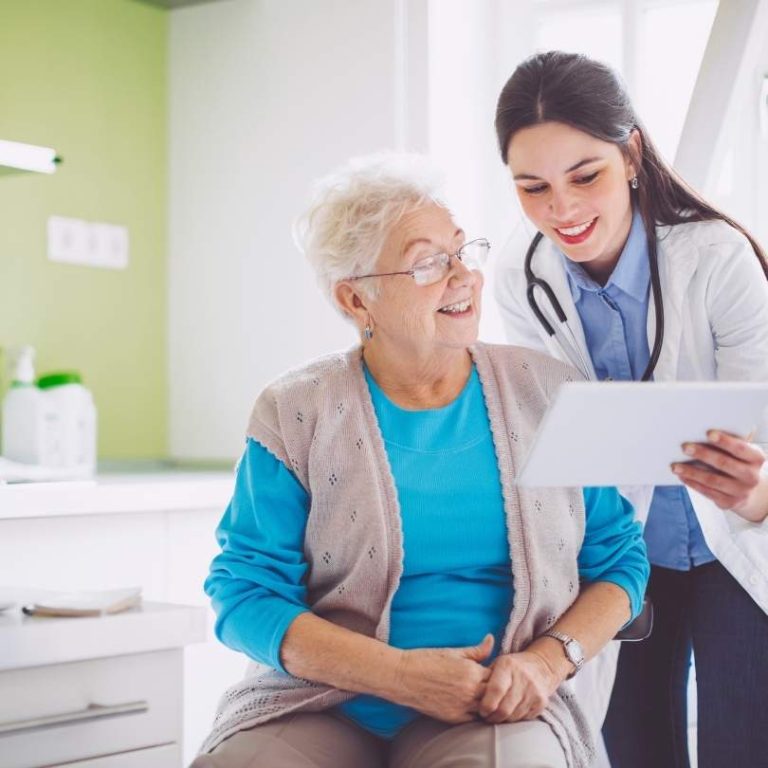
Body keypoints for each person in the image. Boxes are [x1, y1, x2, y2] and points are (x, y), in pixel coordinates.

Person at [190, 154, 649, 768]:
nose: (462, 276)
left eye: (462, 251)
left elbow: (619, 561)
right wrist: (397, 674)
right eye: (429, 262)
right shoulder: (295, 410)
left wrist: (546, 661)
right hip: (319, 703)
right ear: (358, 300)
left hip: (493, 706)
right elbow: (243, 590)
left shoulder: (549, 392)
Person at [493, 51, 768, 768]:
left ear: (632, 154)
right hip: (620, 557)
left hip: (732, 550)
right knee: (633, 750)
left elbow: (764, 421)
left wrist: (759, 490)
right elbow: (550, 426)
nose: (564, 210)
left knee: (745, 745)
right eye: (534, 188)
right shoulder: (523, 276)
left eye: (586, 176)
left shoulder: (717, 258)